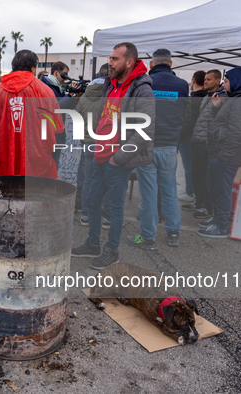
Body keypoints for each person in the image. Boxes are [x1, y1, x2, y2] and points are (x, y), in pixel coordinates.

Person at [71, 42, 155, 269]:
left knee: (114, 208)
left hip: (118, 160)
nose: (110, 62)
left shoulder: (141, 88)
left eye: (115, 59)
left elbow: (145, 129)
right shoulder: (112, 83)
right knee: (91, 200)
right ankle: (92, 244)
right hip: (100, 155)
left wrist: (118, 157)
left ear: (129, 62)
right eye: (110, 58)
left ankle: (111, 250)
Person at [127, 49, 188, 249]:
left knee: (149, 193)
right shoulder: (182, 85)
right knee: (170, 191)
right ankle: (173, 233)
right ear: (170, 64)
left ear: (151, 64)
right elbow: (184, 115)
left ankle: (148, 237)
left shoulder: (143, 83)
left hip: (146, 145)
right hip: (170, 145)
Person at [0, 49, 62, 178]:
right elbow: (56, 129)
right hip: (37, 162)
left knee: (8, 196)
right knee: (35, 197)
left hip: (6, 159)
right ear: (33, 68)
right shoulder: (46, 92)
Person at [198, 67, 241, 238]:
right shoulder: (237, 99)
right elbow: (227, 124)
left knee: (222, 189)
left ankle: (220, 226)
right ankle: (217, 218)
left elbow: (237, 132)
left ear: (237, 81)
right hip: (221, 153)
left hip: (226, 156)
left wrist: (224, 156)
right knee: (215, 187)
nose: (223, 85)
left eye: (226, 81)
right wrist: (218, 107)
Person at [75, 63, 111, 228]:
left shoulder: (84, 96)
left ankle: (85, 215)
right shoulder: (113, 95)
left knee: (88, 180)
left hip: (88, 143)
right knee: (108, 180)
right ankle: (107, 217)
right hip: (107, 143)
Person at [188, 69, 223, 219]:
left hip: (207, 143)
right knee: (196, 174)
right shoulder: (207, 96)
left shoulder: (220, 97)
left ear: (217, 81)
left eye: (209, 79)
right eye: (205, 79)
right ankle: (199, 201)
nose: (206, 82)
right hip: (198, 141)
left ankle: (206, 206)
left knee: (205, 176)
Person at [178, 70, 207, 203]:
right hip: (202, 138)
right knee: (197, 167)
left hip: (189, 136)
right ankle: (196, 193)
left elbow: (186, 120)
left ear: (194, 80)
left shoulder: (192, 99)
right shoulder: (207, 97)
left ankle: (190, 192)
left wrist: (180, 136)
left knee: (189, 166)